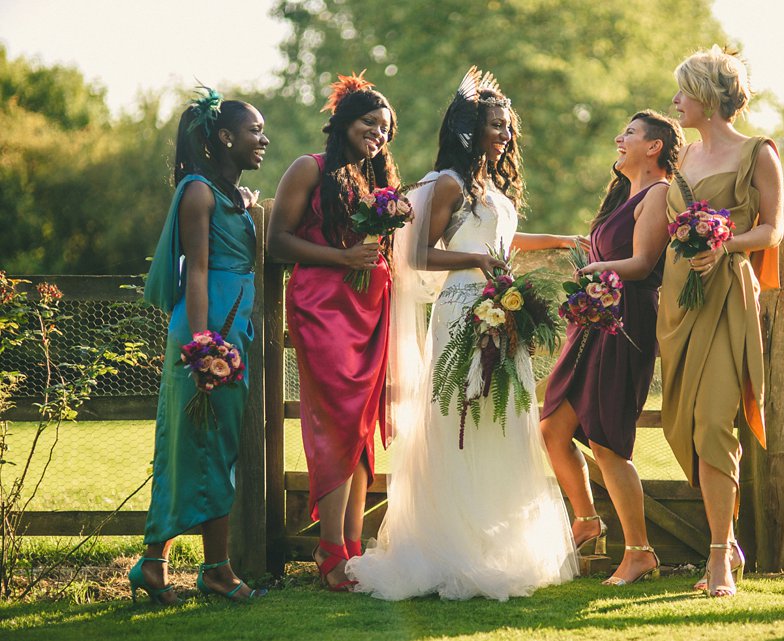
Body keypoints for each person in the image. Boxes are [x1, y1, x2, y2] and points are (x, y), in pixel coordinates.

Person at [345, 67, 579, 601]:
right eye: (497, 124)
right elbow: (418, 253)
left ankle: (493, 543)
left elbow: (503, 238)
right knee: (462, 416)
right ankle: (450, 542)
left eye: (508, 125)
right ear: (471, 129)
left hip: (500, 305)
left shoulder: (490, 186)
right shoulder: (447, 182)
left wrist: (562, 240)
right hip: (460, 308)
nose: (506, 134)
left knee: (503, 417)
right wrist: (477, 259)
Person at [658, 46, 784, 597]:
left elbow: (772, 231)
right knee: (680, 424)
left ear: (708, 97)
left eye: (683, 91)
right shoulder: (682, 157)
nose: (675, 101)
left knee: (713, 424)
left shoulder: (759, 153)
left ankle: (719, 561)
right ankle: (724, 535)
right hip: (678, 299)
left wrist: (725, 242)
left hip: (728, 295)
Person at [265, 72, 399, 592]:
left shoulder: (376, 181)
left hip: (370, 306)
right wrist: (344, 257)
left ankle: (351, 546)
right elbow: (279, 242)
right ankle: (329, 550)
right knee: (337, 419)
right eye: (369, 123)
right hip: (322, 305)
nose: (378, 134)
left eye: (385, 128)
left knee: (361, 425)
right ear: (344, 123)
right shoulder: (309, 168)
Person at [136, 88, 269, 603]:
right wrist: (201, 346)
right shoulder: (198, 192)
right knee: (188, 448)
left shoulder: (232, 196)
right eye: (255, 131)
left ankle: (188, 566)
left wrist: (249, 209)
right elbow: (196, 272)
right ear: (224, 136)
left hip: (232, 330)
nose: (264, 139)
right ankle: (187, 566)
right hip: (207, 332)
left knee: (219, 448)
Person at [540, 110, 683, 586]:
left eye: (630, 133)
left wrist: (590, 273)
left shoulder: (659, 193)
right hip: (594, 319)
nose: (619, 138)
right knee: (553, 427)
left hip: (626, 320)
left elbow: (642, 264)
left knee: (606, 438)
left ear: (654, 147)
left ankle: (639, 552)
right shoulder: (626, 195)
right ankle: (586, 520)